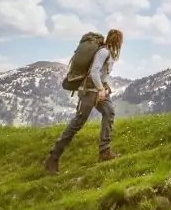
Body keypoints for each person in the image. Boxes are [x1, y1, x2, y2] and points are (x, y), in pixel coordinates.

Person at [45, 29, 123, 175]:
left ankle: (104, 152)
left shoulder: (109, 54)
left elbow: (101, 74)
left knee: (109, 112)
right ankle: (53, 158)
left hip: (98, 92)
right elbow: (94, 72)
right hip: (88, 92)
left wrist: (104, 87)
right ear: (118, 41)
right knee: (77, 123)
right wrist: (101, 89)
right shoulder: (104, 52)